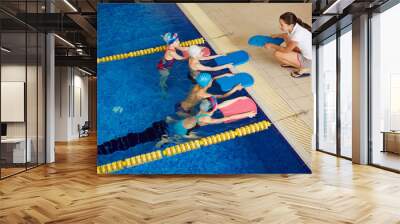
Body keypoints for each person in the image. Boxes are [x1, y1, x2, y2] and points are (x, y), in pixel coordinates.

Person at [97, 98, 255, 155]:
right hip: (167, 133)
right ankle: (105, 149)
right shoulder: (207, 119)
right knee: (137, 140)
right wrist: (246, 115)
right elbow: (229, 117)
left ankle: (108, 146)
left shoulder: (200, 112)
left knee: (137, 137)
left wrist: (239, 97)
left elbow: (220, 106)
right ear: (212, 108)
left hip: (164, 125)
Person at [265, 12, 312, 78]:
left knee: (277, 53)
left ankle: (303, 69)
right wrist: (278, 35)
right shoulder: (295, 26)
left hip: (308, 61)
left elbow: (286, 50)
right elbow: (286, 35)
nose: (280, 27)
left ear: (291, 25)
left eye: (282, 25)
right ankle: (294, 62)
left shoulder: (298, 34)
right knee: (285, 36)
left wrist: (272, 45)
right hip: (306, 53)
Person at [176, 72, 243, 116]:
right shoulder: (204, 95)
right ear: (208, 84)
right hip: (185, 111)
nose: (212, 80)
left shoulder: (196, 85)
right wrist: (235, 88)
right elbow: (224, 96)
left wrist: (224, 75)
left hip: (180, 104)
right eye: (210, 80)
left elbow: (208, 80)